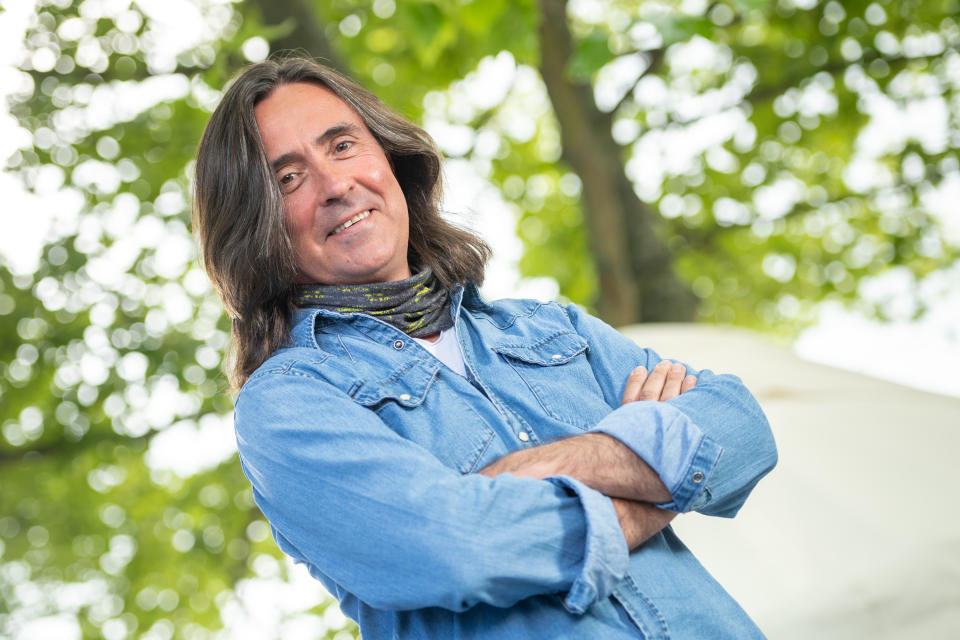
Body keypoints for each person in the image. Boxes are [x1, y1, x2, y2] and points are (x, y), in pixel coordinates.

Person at [192, 57, 778, 640]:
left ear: (391, 160)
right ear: (255, 225)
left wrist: (540, 466)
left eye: (343, 145)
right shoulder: (287, 403)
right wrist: (660, 482)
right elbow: (457, 544)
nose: (336, 185)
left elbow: (742, 428)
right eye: (288, 178)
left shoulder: (552, 329)